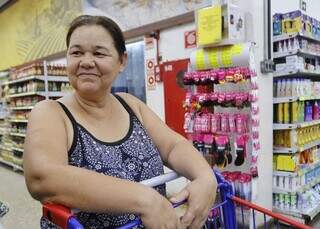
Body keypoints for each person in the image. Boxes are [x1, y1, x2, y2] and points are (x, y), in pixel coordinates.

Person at [23, 15, 217, 229]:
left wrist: (205, 176)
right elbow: (43, 177)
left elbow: (173, 146)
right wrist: (145, 200)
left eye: (98, 53)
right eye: (76, 52)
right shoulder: (51, 112)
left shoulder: (131, 105)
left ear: (122, 61)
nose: (86, 62)